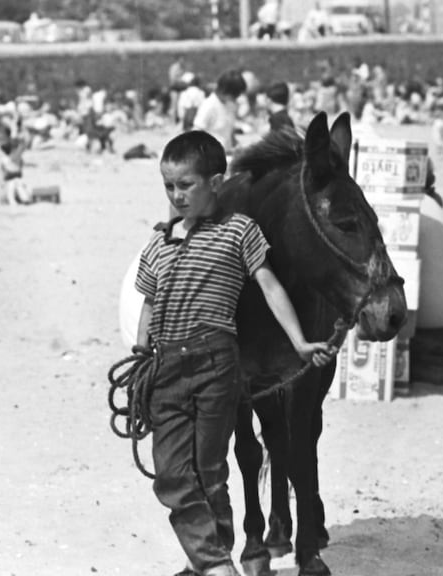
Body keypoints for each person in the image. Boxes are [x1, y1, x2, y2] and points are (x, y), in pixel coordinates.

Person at [133, 131, 335, 576]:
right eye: (169, 186)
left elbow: (269, 285)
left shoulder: (240, 231)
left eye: (186, 185)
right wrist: (140, 356)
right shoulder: (158, 241)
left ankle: (212, 559)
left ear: (216, 183)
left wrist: (300, 341)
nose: (176, 195)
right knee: (170, 474)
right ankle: (213, 556)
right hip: (165, 365)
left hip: (216, 362)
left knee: (210, 469)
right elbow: (148, 301)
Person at [193, 70, 247, 154]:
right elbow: (196, 134)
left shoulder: (231, 105)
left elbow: (228, 130)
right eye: (235, 95)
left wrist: (237, 145)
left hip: (227, 153)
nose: (236, 99)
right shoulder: (209, 105)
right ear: (225, 91)